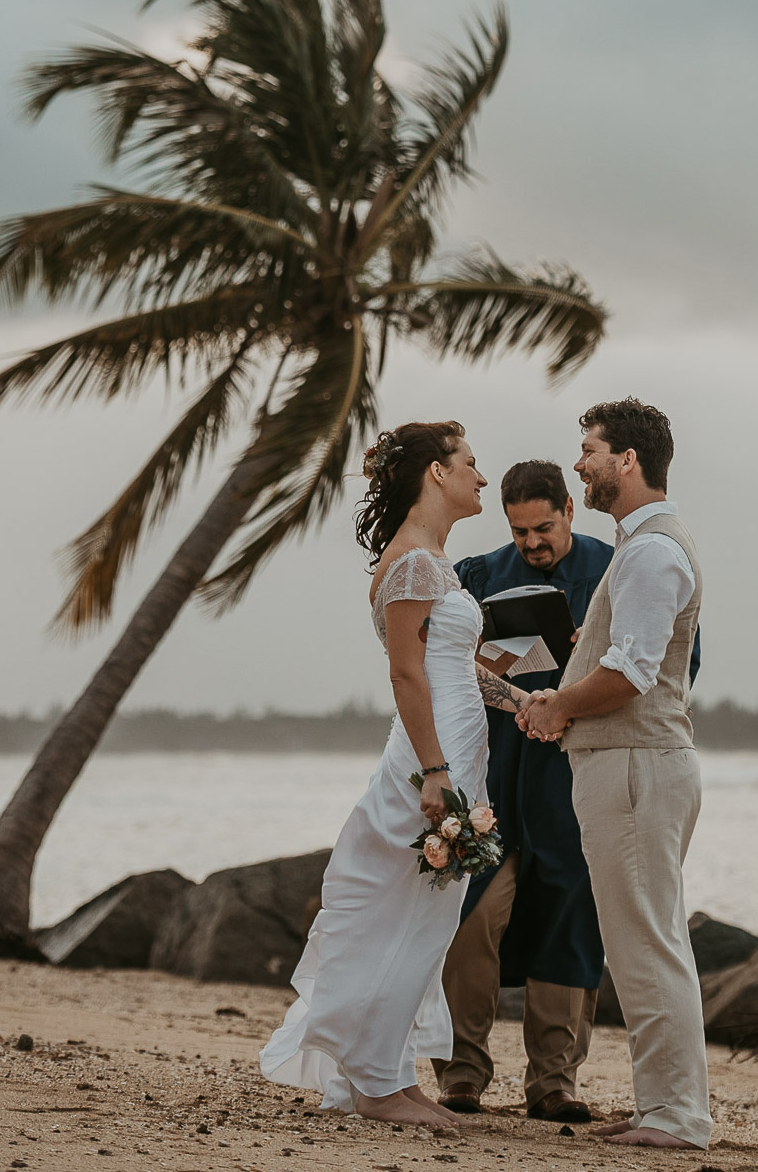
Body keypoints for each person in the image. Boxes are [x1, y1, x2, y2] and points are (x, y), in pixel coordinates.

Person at [260, 420, 532, 1127]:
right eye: (471, 463)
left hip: (456, 753)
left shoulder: (433, 560)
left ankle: (390, 1074)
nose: (481, 476)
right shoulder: (412, 564)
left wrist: (520, 699)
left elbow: (458, 668)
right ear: (436, 473)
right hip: (429, 759)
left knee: (426, 918)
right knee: (400, 914)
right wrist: (436, 773)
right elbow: (408, 676)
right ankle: (377, 1084)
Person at [520, 398, 712, 1152]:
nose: (580, 463)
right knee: (644, 940)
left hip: (636, 766)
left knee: (645, 943)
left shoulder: (652, 552)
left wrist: (556, 706)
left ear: (627, 460)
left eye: (590, 450)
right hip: (630, 766)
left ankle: (676, 1117)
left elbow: (631, 673)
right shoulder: (641, 548)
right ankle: (664, 1105)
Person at [433, 459, 609, 1122]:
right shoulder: (479, 575)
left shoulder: (614, 571)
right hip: (495, 777)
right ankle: (460, 1072)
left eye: (544, 527)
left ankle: (554, 1082)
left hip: (574, 783)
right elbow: (445, 665)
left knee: (570, 922)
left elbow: (673, 660)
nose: (532, 542)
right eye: (520, 531)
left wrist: (584, 656)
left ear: (570, 507)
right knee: (470, 916)